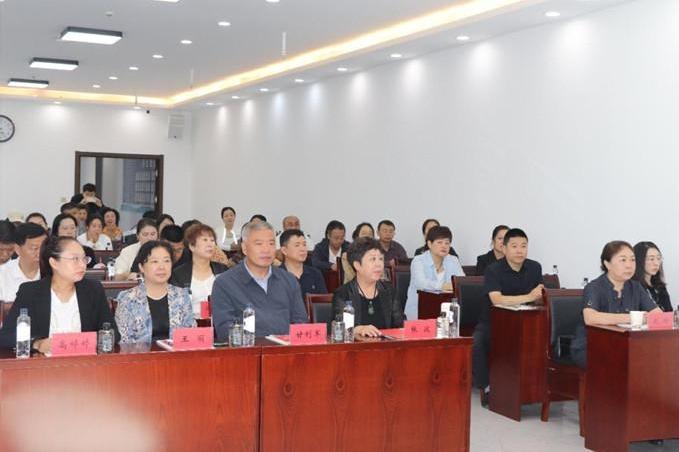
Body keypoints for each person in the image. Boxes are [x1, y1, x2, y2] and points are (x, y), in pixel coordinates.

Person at [0, 236, 115, 352]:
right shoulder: (30, 292)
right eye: (75, 259)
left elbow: (112, 333)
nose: (82, 265)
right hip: (44, 361)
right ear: (54, 263)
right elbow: (6, 336)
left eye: (84, 259)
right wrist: (37, 344)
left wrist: (91, 342)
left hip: (84, 361)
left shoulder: (93, 290)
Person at [472, 228, 544, 406]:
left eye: (524, 246)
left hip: (525, 321)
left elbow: (539, 296)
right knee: (477, 343)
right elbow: (497, 300)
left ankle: (534, 389)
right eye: (514, 246)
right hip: (494, 322)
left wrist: (540, 296)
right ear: (504, 249)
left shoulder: (535, 267)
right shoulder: (493, 270)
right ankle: (487, 387)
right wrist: (529, 296)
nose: (520, 250)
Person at [571, 241, 661, 370]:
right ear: (607, 264)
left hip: (624, 344)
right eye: (623, 260)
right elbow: (590, 318)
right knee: (622, 364)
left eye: (632, 260)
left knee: (655, 360)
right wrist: (632, 318)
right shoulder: (594, 287)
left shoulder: (636, 287)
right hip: (591, 346)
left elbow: (657, 314)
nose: (629, 265)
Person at [211, 221, 308, 339]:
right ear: (244, 248)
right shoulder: (224, 283)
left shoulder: (289, 280)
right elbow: (225, 330)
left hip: (286, 348)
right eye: (259, 244)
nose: (266, 249)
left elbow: (301, 323)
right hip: (248, 349)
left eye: (271, 243)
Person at [115, 241, 195, 343]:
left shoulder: (182, 296)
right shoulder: (128, 299)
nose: (162, 267)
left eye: (166, 261)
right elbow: (124, 341)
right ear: (141, 267)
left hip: (176, 352)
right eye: (155, 261)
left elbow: (191, 334)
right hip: (139, 353)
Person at [332, 237, 404, 338]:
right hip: (357, 346)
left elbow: (400, 325)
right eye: (372, 259)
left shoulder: (389, 290)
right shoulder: (343, 294)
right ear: (357, 265)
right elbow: (340, 328)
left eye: (381, 259)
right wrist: (358, 329)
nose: (379, 264)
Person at [405, 226, 465, 320]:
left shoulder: (453, 260)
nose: (444, 246)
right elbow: (421, 283)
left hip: (447, 313)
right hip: (419, 313)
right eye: (439, 242)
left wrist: (454, 285)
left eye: (447, 243)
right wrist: (443, 286)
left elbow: (461, 282)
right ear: (429, 244)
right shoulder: (418, 261)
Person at [171, 224, 228, 318]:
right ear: (192, 246)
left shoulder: (222, 270)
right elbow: (176, 308)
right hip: (190, 324)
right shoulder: (178, 274)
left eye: (212, 240)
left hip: (219, 323)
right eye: (205, 240)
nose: (210, 244)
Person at [0, 223, 47, 302]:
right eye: (34, 248)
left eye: (43, 247)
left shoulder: (54, 272)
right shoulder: (2, 274)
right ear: (17, 249)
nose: (40, 253)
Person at [280, 229, 327, 297]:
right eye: (297, 245)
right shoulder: (276, 276)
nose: (302, 249)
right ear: (284, 250)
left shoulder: (315, 274)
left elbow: (324, 301)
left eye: (304, 245)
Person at [633, 241, 672, 312]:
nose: (656, 263)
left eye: (658, 258)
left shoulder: (660, 287)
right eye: (651, 259)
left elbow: (669, 312)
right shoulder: (633, 286)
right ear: (639, 260)